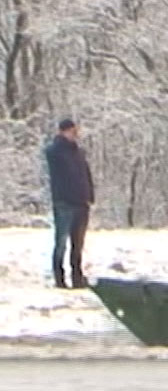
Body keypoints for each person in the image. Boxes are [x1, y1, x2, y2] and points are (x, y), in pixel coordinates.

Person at [44, 118, 95, 289]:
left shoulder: (78, 153)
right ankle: (59, 277)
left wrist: (89, 195)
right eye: (72, 131)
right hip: (64, 202)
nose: (75, 134)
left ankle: (77, 276)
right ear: (63, 131)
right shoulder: (55, 151)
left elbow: (86, 174)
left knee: (78, 244)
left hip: (81, 202)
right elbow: (52, 155)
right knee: (61, 242)